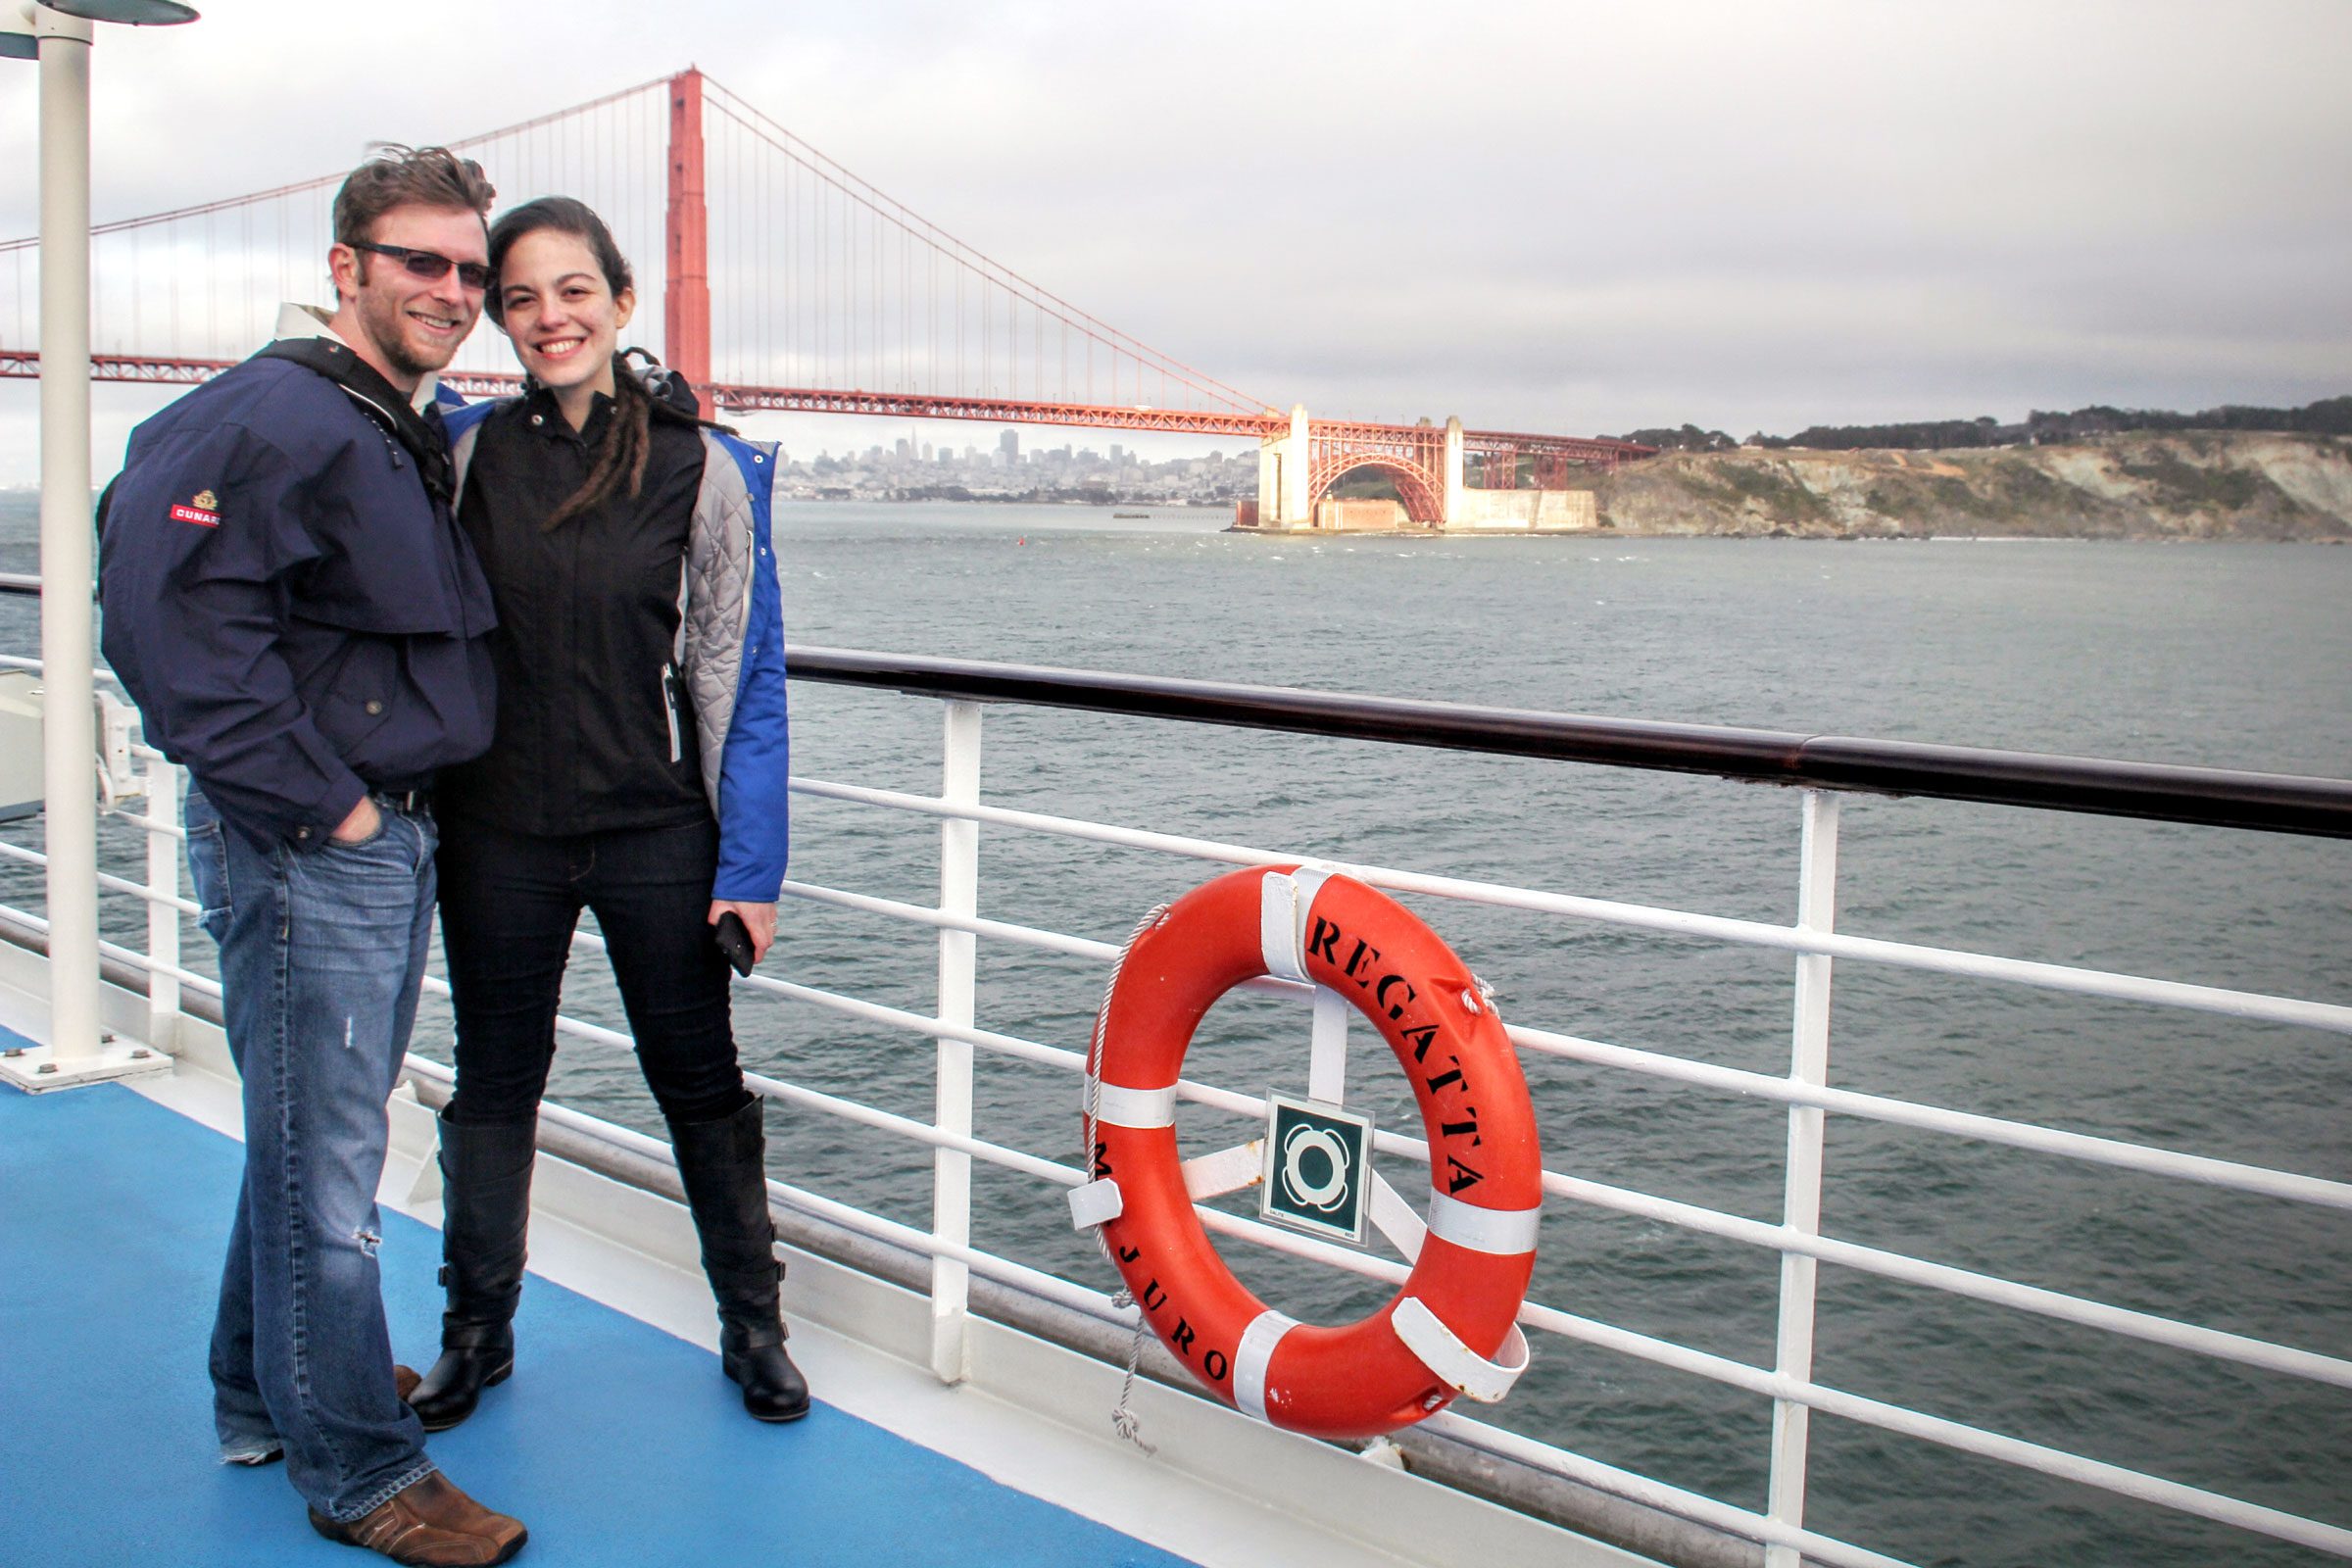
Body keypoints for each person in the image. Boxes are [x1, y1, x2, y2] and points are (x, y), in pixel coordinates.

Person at [98, 147, 527, 1566]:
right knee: (331, 1169)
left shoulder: (384, 419)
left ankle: (264, 1392)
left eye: (470, 270)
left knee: (307, 1148)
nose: (454, 293)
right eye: (422, 262)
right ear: (346, 268)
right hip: (316, 845)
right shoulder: (275, 417)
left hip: (374, 837)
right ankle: (359, 1469)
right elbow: (165, 626)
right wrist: (328, 809)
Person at [400, 196, 802, 1430]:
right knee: (494, 1082)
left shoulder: (706, 465)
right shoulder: (461, 451)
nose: (547, 317)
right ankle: (476, 1332)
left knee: (700, 1079)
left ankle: (753, 1324)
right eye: (520, 298)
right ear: (499, 321)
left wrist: (753, 864)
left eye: (572, 291)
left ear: (620, 300)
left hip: (652, 827)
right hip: (498, 827)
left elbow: (740, 670)